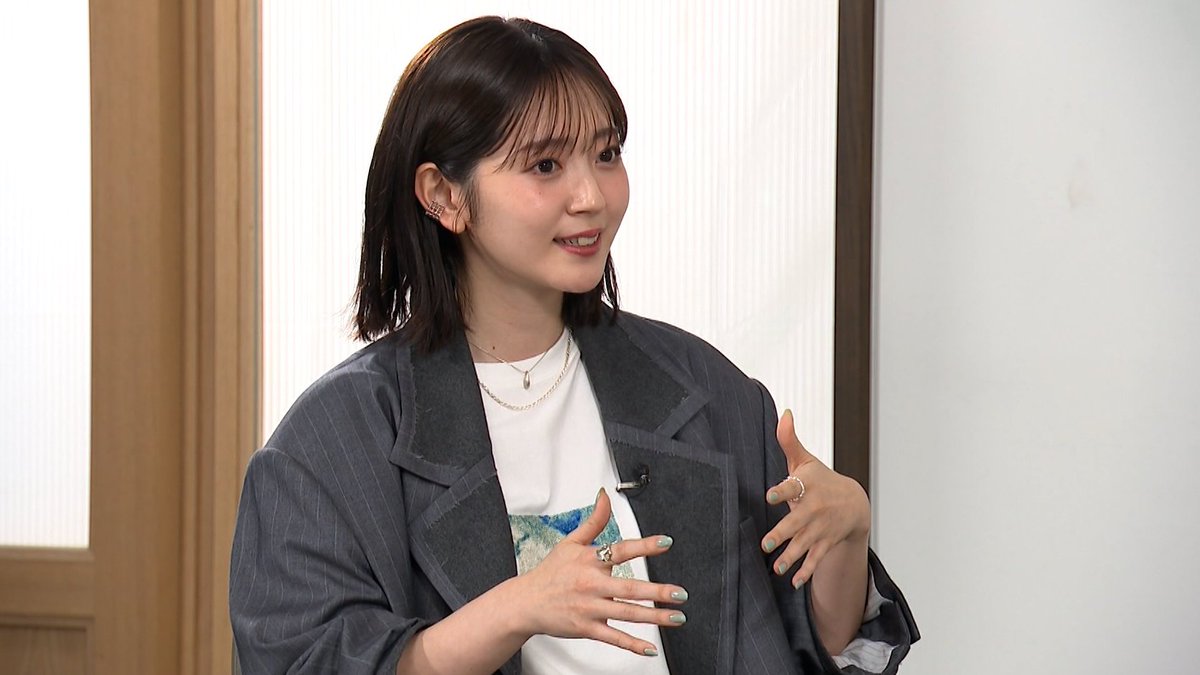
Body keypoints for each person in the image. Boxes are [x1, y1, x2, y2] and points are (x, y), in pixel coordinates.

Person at [230, 15, 918, 675]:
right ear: (444, 196)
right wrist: (516, 608)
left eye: (607, 154)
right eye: (545, 164)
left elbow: (821, 648)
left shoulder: (705, 390)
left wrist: (847, 536)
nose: (591, 195)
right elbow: (304, 660)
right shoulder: (332, 442)